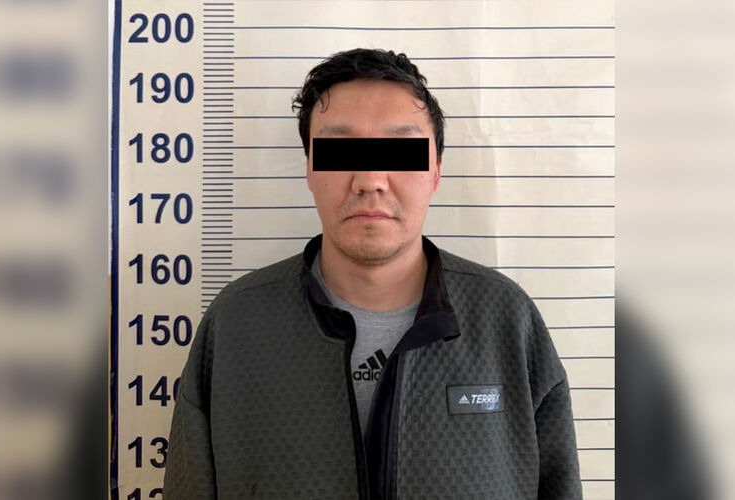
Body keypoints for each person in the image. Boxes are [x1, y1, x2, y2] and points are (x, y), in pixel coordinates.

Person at [163, 48, 582, 499]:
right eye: (340, 151)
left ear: (435, 171)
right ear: (309, 169)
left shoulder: (507, 320)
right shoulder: (236, 325)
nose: (370, 180)